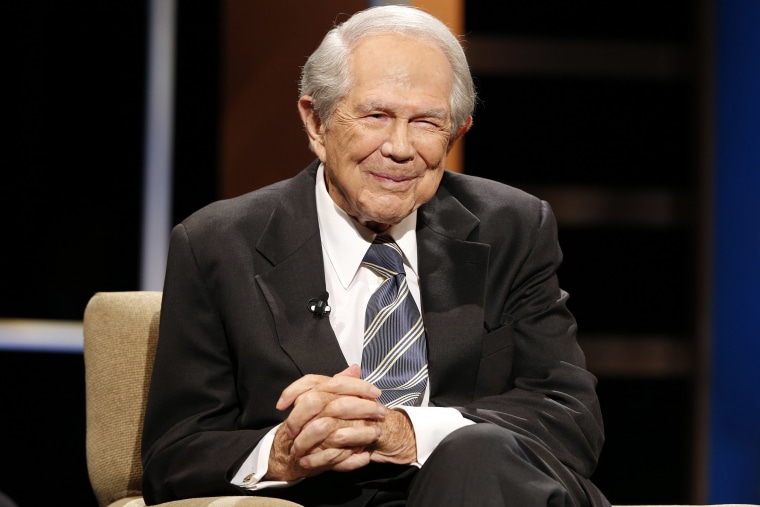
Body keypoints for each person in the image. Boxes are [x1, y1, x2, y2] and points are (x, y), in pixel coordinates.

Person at [141, 5, 610, 507]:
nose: (401, 148)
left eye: (427, 122)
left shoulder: (512, 227)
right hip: (332, 498)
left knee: (477, 453)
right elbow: (175, 455)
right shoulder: (219, 244)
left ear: (457, 133)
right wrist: (283, 452)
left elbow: (570, 417)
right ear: (316, 123)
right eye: (376, 116)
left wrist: (403, 429)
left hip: (495, 490)